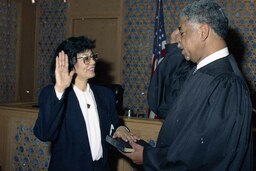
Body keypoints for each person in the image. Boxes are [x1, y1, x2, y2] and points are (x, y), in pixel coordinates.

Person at [122, 0, 253, 170]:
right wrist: (147, 150)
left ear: (203, 32)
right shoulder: (203, 71)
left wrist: (149, 157)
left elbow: (204, 155)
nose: (178, 41)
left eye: (182, 33)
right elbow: (163, 104)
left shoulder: (226, 83)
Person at [33, 36, 137, 171]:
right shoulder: (53, 94)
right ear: (70, 63)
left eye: (93, 56)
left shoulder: (105, 95)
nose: (93, 61)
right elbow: (44, 134)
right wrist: (59, 89)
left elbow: (115, 123)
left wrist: (121, 129)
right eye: (86, 58)